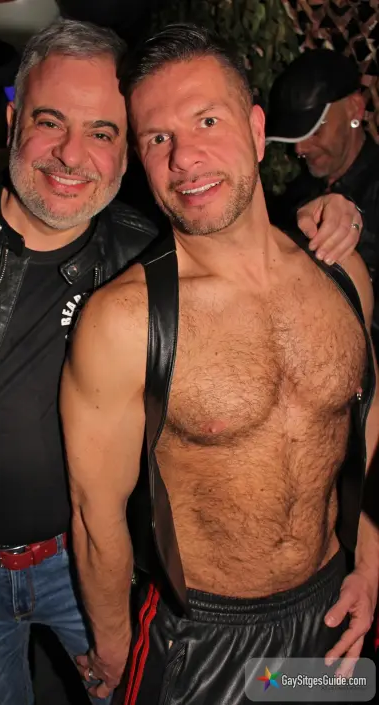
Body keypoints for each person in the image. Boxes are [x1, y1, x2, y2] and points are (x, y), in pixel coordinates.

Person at [0, 17, 364, 705]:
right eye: (50, 122)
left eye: (102, 132)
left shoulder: (150, 246)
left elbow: (228, 221)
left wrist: (329, 211)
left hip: (259, 602)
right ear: (12, 122)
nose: (71, 155)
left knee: (309, 695)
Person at [61, 24, 379, 704]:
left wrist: (370, 555)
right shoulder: (122, 322)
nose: (184, 158)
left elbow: (366, 412)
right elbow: (96, 516)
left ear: (257, 130)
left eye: (207, 120)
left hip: (330, 618)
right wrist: (113, 646)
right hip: (204, 644)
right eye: (157, 138)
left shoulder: (341, 272)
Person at [265, 49, 379, 347]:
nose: (300, 149)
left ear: (355, 109)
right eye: (295, 136)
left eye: (316, 131)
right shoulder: (299, 193)